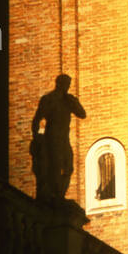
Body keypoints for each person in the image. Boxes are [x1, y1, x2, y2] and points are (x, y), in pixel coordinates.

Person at [30, 74, 86, 202]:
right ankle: (56, 196)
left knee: (68, 167)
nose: (67, 87)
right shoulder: (49, 99)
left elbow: (82, 114)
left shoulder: (68, 100)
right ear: (59, 84)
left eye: (68, 85)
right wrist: (38, 136)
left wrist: (74, 102)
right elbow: (37, 119)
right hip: (52, 138)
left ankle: (60, 193)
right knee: (55, 167)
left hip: (64, 138)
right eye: (66, 84)